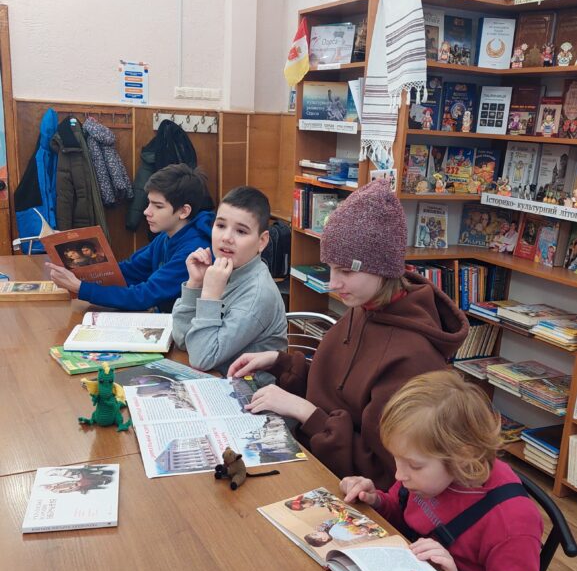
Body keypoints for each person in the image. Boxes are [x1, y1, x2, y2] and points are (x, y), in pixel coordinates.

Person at [229, 179, 468, 490]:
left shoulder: (413, 357)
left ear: (383, 268)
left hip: (346, 488)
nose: (333, 283)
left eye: (346, 271)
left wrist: (305, 412)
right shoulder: (367, 305)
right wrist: (279, 362)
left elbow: (385, 472)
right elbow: (336, 389)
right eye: (330, 268)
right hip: (313, 459)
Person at [340, 370, 543, 571]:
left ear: (462, 457)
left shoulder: (511, 522)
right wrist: (375, 500)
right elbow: (402, 511)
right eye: (396, 458)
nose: (399, 474)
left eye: (414, 465)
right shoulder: (425, 476)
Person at [46, 164, 215, 312]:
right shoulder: (166, 236)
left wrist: (81, 288)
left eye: (158, 206)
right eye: (148, 203)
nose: (146, 211)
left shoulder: (194, 250)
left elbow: (144, 296)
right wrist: (76, 266)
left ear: (184, 211)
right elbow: (128, 271)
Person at [172, 186, 287, 375]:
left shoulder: (258, 294)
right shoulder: (224, 270)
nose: (226, 238)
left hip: (248, 389)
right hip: (215, 378)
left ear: (262, 242)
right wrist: (195, 285)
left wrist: (210, 296)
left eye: (241, 231)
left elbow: (201, 358)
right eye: (220, 226)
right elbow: (182, 340)